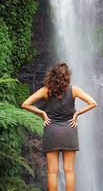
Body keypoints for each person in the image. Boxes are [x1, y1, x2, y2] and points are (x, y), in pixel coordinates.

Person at [21, 62, 97, 191]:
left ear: (52, 75)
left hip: (52, 131)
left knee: (52, 171)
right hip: (69, 130)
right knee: (69, 170)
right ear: (67, 76)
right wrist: (77, 113)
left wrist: (43, 113)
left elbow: (25, 104)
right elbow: (93, 103)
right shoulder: (74, 90)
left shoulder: (46, 90)